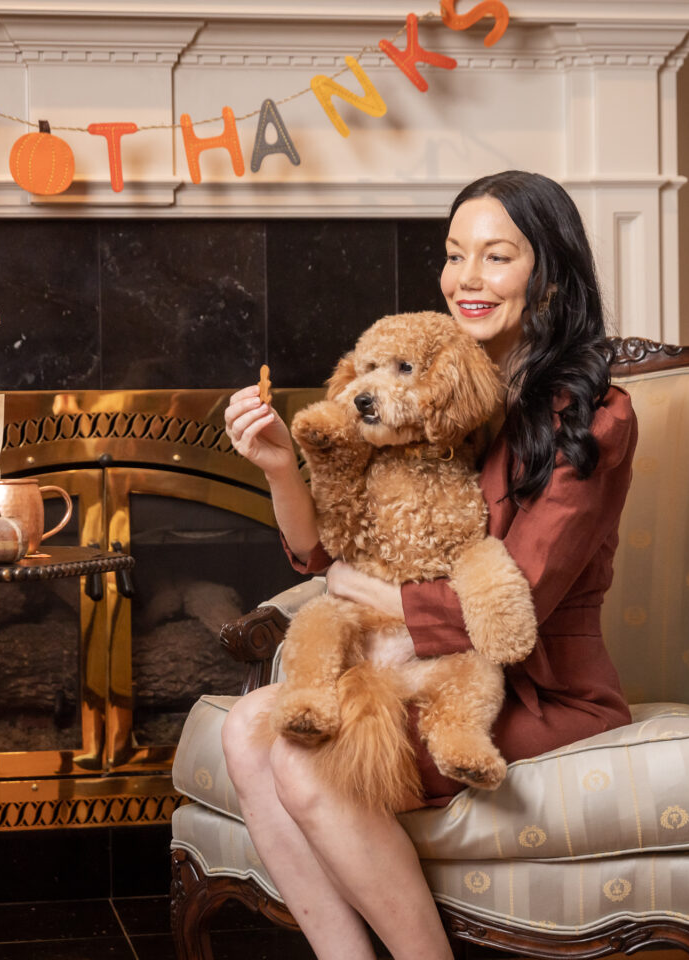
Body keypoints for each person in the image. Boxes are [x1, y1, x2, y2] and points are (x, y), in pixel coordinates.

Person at [220, 169, 637, 960]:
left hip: (534, 683)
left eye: (496, 257)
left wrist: (356, 588)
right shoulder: (430, 391)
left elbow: (516, 601)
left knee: (307, 762)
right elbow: (327, 550)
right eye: (454, 255)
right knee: (248, 728)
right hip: (412, 662)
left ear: (549, 277)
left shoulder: (593, 416)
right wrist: (281, 467)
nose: (465, 279)